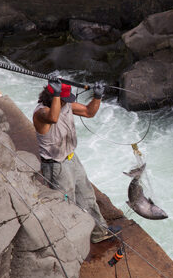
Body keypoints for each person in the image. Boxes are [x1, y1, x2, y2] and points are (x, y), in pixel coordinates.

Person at [33, 79, 120, 243]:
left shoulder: (66, 106)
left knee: (87, 196)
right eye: (64, 99)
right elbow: (53, 118)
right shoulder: (41, 113)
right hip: (56, 166)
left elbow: (89, 112)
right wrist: (58, 95)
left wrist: (97, 96)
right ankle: (71, 243)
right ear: (56, 99)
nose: (68, 102)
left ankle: (99, 232)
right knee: (66, 204)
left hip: (72, 158)